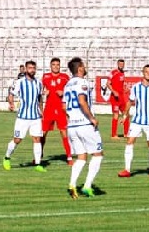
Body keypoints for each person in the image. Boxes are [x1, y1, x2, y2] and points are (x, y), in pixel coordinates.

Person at [64, 57, 103, 199]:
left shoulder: (67, 84)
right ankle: (87, 186)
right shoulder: (82, 82)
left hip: (72, 126)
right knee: (98, 154)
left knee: (81, 157)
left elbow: (64, 106)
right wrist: (91, 118)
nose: (85, 68)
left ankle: (72, 184)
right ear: (80, 68)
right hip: (84, 124)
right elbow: (82, 101)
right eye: (83, 66)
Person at [118, 65, 149, 179]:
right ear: (143, 73)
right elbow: (130, 101)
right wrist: (125, 115)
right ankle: (127, 170)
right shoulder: (136, 87)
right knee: (129, 141)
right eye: (147, 72)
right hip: (137, 120)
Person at [3, 60, 45, 172]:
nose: (32, 70)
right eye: (30, 68)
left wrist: (42, 111)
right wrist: (11, 104)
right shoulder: (20, 82)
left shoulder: (39, 83)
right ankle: (7, 157)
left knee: (37, 139)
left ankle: (38, 164)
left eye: (34, 68)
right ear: (26, 69)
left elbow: (40, 98)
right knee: (17, 140)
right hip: (23, 117)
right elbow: (11, 94)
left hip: (36, 116)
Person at [40, 58, 73, 166]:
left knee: (64, 133)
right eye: (53, 64)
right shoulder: (45, 77)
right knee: (43, 134)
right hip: (48, 109)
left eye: (57, 64)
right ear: (50, 66)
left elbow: (71, 91)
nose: (55, 66)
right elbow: (40, 91)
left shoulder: (65, 77)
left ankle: (69, 157)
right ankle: (38, 155)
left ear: (60, 66)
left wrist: (63, 92)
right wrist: (45, 92)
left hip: (60, 109)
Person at [109, 59, 130, 140]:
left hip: (121, 97)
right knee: (116, 115)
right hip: (115, 98)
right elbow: (108, 83)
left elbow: (121, 85)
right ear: (117, 64)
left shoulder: (123, 73)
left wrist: (125, 89)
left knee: (126, 114)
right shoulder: (113, 72)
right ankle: (113, 135)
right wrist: (114, 91)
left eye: (122, 64)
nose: (121, 65)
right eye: (120, 64)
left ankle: (126, 133)